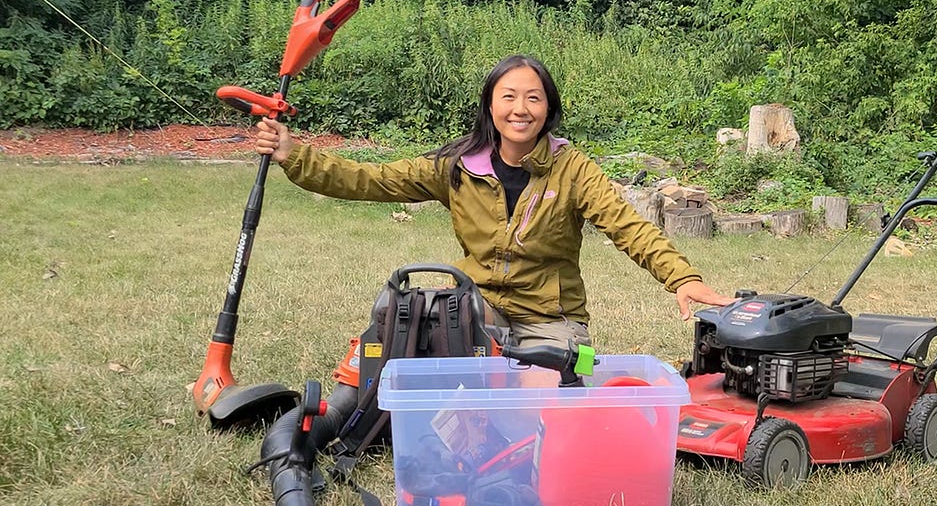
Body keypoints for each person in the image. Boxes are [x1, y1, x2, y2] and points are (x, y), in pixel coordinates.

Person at [255, 54, 734, 348]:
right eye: (508, 96)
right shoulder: (457, 165)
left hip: (550, 319)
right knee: (420, 332)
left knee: (543, 402)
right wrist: (294, 154)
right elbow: (372, 180)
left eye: (533, 98)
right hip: (479, 307)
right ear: (490, 105)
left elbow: (629, 227)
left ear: (548, 109)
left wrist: (683, 279)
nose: (520, 109)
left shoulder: (573, 169)